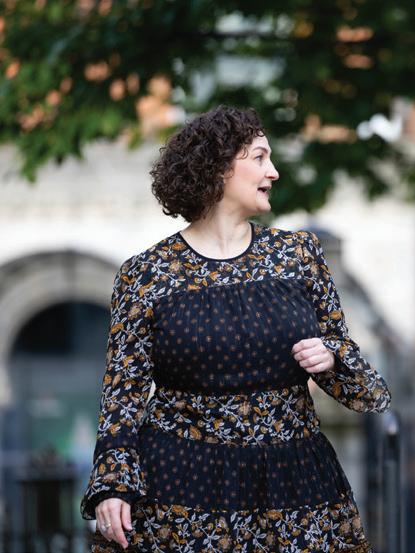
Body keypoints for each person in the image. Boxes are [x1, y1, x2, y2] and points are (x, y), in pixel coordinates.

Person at [80, 105, 391, 552]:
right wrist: (112, 486)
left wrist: (331, 356)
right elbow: (122, 395)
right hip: (182, 492)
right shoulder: (145, 275)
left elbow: (366, 391)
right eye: (260, 158)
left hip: (293, 488)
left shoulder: (298, 256)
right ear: (219, 167)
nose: (274, 172)